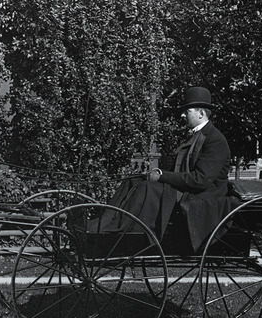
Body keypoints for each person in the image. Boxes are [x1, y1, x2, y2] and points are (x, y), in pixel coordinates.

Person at [97, 86, 235, 254]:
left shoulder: (215, 140)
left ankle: (125, 233)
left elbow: (200, 180)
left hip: (201, 196)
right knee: (133, 180)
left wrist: (162, 176)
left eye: (187, 111)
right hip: (186, 190)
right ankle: (104, 225)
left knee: (146, 188)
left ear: (201, 113)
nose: (182, 115)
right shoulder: (196, 136)